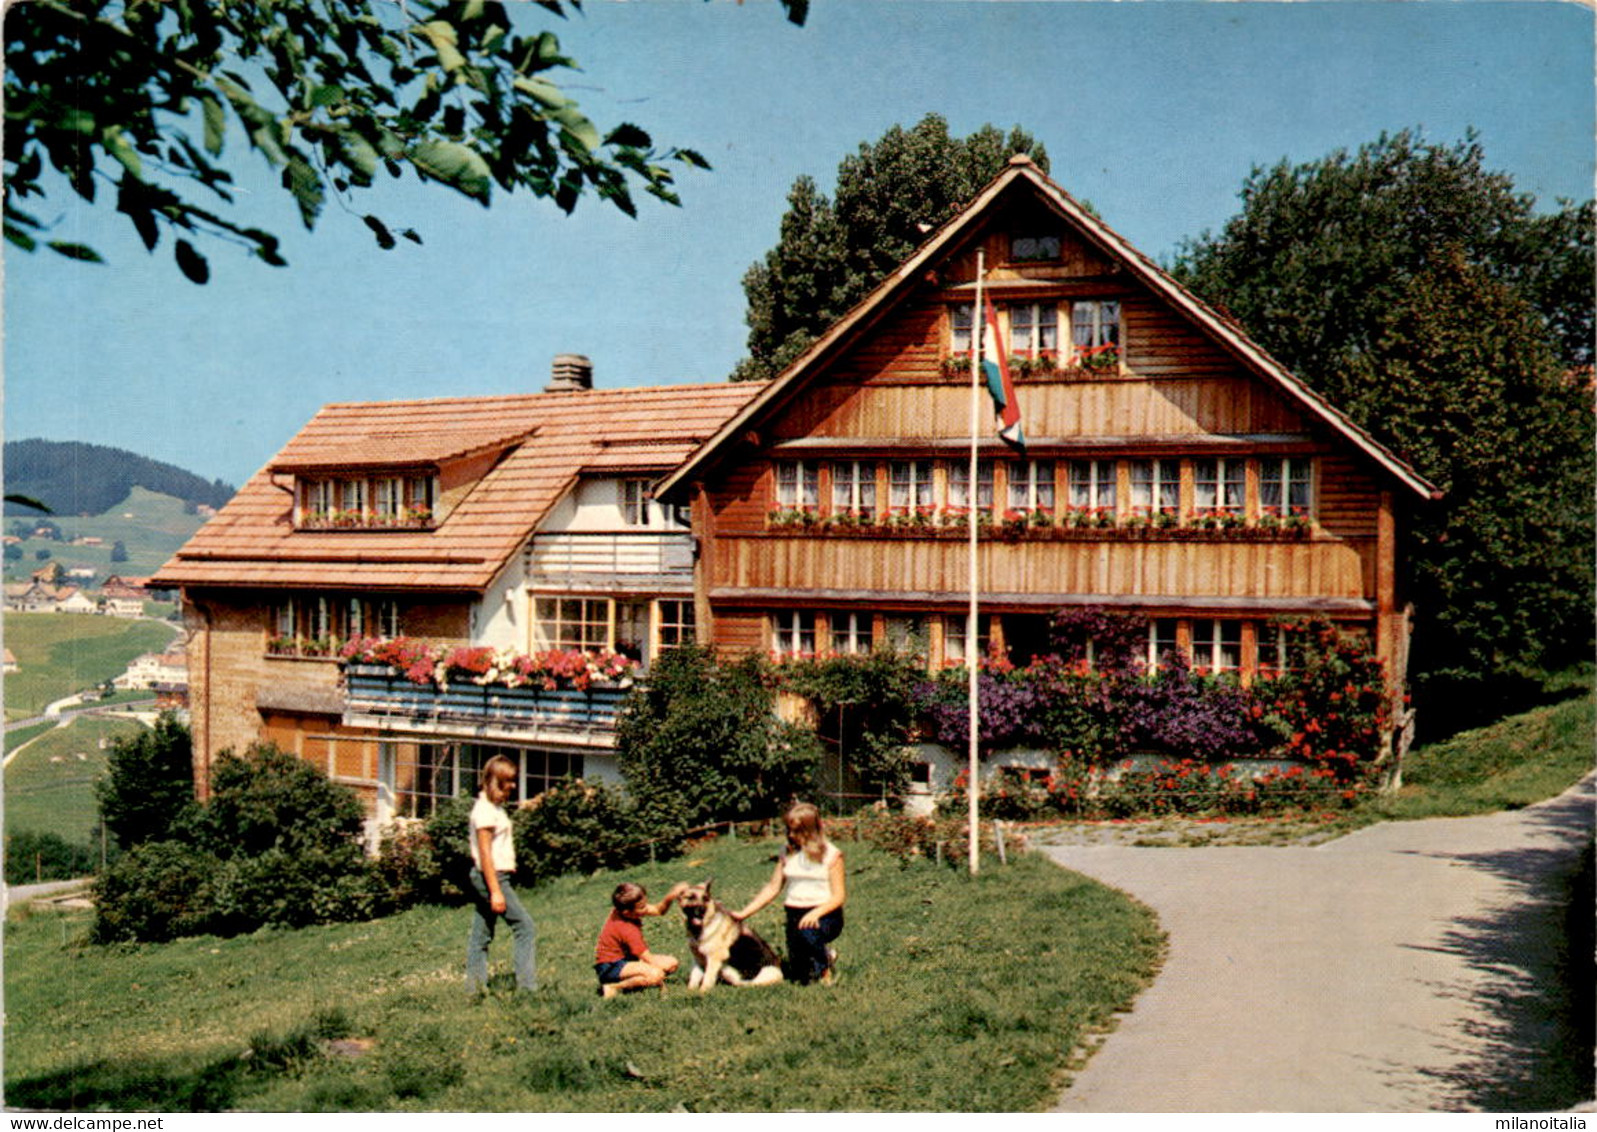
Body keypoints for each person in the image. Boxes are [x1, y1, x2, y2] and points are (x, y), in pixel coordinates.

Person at [733, 802, 846, 985]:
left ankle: (824, 969)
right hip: (794, 913)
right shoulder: (787, 852)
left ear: (811, 830)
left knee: (808, 932)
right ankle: (824, 955)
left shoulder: (832, 855)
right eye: (789, 831)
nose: (792, 836)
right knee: (799, 973)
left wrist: (816, 913)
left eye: (797, 831)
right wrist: (743, 914)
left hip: (826, 914)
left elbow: (839, 896)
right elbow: (772, 888)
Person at [465, 755, 536, 993]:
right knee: (525, 927)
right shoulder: (484, 811)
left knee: (481, 935)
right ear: (496, 781)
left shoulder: (492, 807)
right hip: (492, 876)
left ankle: (474, 990)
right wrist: (495, 891)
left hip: (491, 876)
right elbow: (485, 855)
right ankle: (527, 989)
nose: (513, 786)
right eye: (509, 781)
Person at [594, 881, 687, 998]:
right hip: (611, 967)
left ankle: (636, 981)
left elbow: (659, 910)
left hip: (627, 959)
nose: (646, 908)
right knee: (656, 974)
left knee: (672, 963)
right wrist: (658, 978)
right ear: (628, 913)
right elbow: (649, 959)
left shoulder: (624, 910)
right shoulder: (627, 929)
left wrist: (672, 895)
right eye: (642, 907)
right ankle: (613, 987)